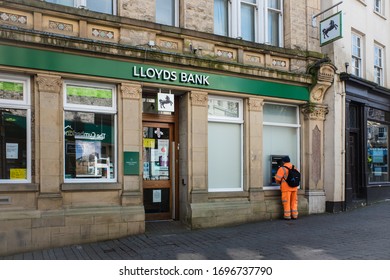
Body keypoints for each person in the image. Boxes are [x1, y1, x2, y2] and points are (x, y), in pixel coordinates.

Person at [274, 156, 298, 220]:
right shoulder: (294, 167)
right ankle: (294, 215)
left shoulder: (282, 168)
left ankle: (287, 216)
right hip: (294, 187)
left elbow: (277, 178)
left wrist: (279, 183)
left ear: (283, 161)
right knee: (294, 202)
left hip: (286, 188)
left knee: (286, 202)